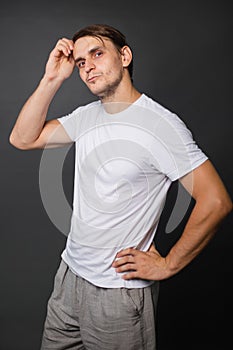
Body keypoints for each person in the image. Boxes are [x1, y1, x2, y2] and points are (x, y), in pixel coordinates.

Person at [9, 24, 232, 350]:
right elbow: (22, 138)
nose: (88, 67)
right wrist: (52, 79)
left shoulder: (161, 125)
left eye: (97, 54)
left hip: (119, 293)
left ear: (124, 56)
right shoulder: (87, 116)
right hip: (70, 277)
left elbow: (216, 201)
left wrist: (168, 264)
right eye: (81, 62)